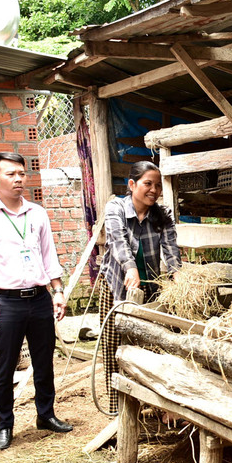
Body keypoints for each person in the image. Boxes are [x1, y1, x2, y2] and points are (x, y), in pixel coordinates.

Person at [0, 152, 72, 451]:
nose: (18, 179)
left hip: (39, 298)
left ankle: (46, 415)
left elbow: (49, 256)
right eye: (10, 174)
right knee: (4, 366)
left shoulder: (37, 213)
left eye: (22, 174)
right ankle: (4, 425)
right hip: (6, 302)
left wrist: (58, 291)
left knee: (44, 362)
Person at [98, 161, 181, 413]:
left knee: (148, 345)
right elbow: (118, 240)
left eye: (157, 185)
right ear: (132, 184)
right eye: (147, 184)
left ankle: (151, 406)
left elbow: (171, 250)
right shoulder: (116, 208)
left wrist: (179, 279)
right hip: (117, 287)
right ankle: (118, 410)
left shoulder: (162, 215)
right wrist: (129, 267)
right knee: (114, 346)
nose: (154, 190)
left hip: (150, 289)